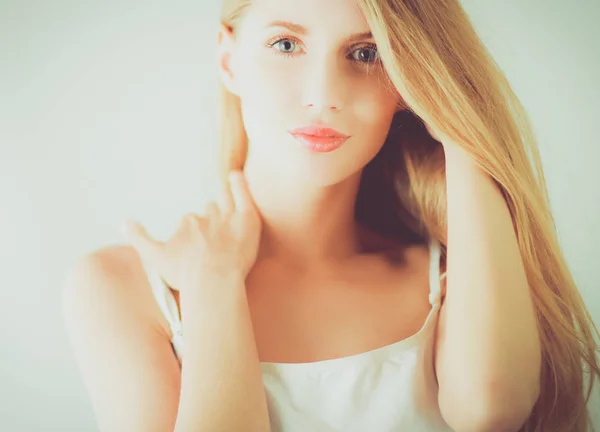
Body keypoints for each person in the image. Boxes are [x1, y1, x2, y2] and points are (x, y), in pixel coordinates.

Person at [62, 0, 600, 431]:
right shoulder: (124, 287)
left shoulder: (452, 278)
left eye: (367, 54)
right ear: (229, 60)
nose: (323, 96)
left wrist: (461, 125)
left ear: (411, 85)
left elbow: (490, 411)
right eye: (285, 44)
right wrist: (214, 286)